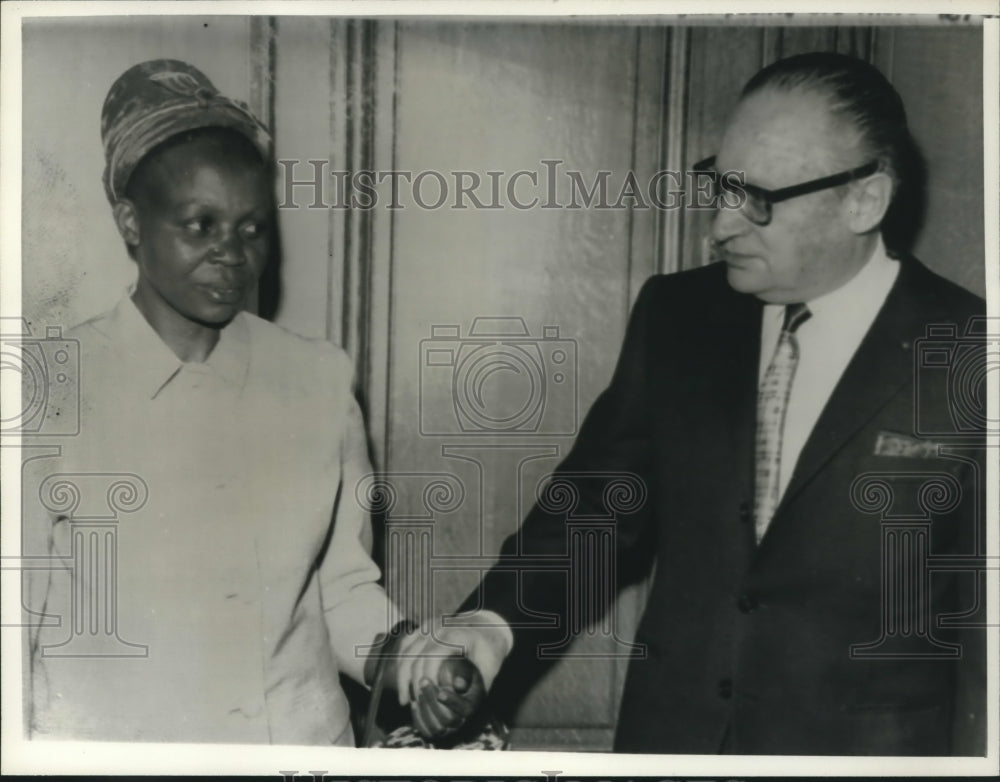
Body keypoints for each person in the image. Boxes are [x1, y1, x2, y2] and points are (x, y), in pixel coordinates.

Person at [396, 52, 987, 755]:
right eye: (721, 186)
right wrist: (491, 628)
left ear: (865, 200)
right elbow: (594, 507)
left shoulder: (970, 352)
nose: (722, 227)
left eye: (757, 199)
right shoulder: (678, 316)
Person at [21, 59, 461, 745]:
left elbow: (340, 589)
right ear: (131, 223)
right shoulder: (47, 391)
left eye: (252, 228)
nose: (231, 253)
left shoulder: (318, 380)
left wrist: (417, 665)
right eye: (199, 225)